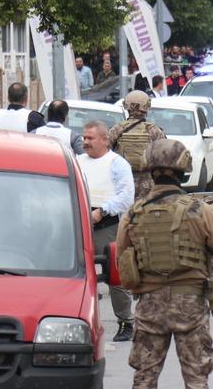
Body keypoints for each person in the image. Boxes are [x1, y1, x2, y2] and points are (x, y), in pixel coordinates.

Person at [116, 139, 213, 389]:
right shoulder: (200, 210)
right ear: (183, 170)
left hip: (149, 304)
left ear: (150, 170)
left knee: (144, 377)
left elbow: (123, 259)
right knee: (196, 377)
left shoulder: (134, 213)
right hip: (189, 302)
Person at [78, 120, 135, 341]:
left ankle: (125, 322)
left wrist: (101, 211)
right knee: (78, 274)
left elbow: (126, 197)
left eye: (90, 138)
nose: (85, 142)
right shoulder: (77, 161)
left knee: (115, 275)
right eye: (84, 138)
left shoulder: (117, 163)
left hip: (106, 224)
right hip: (79, 224)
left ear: (104, 140)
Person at [109, 91, 166, 200]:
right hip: (147, 185)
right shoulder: (154, 130)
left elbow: (105, 154)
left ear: (127, 107)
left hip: (122, 183)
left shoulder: (117, 129)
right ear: (147, 107)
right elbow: (163, 157)